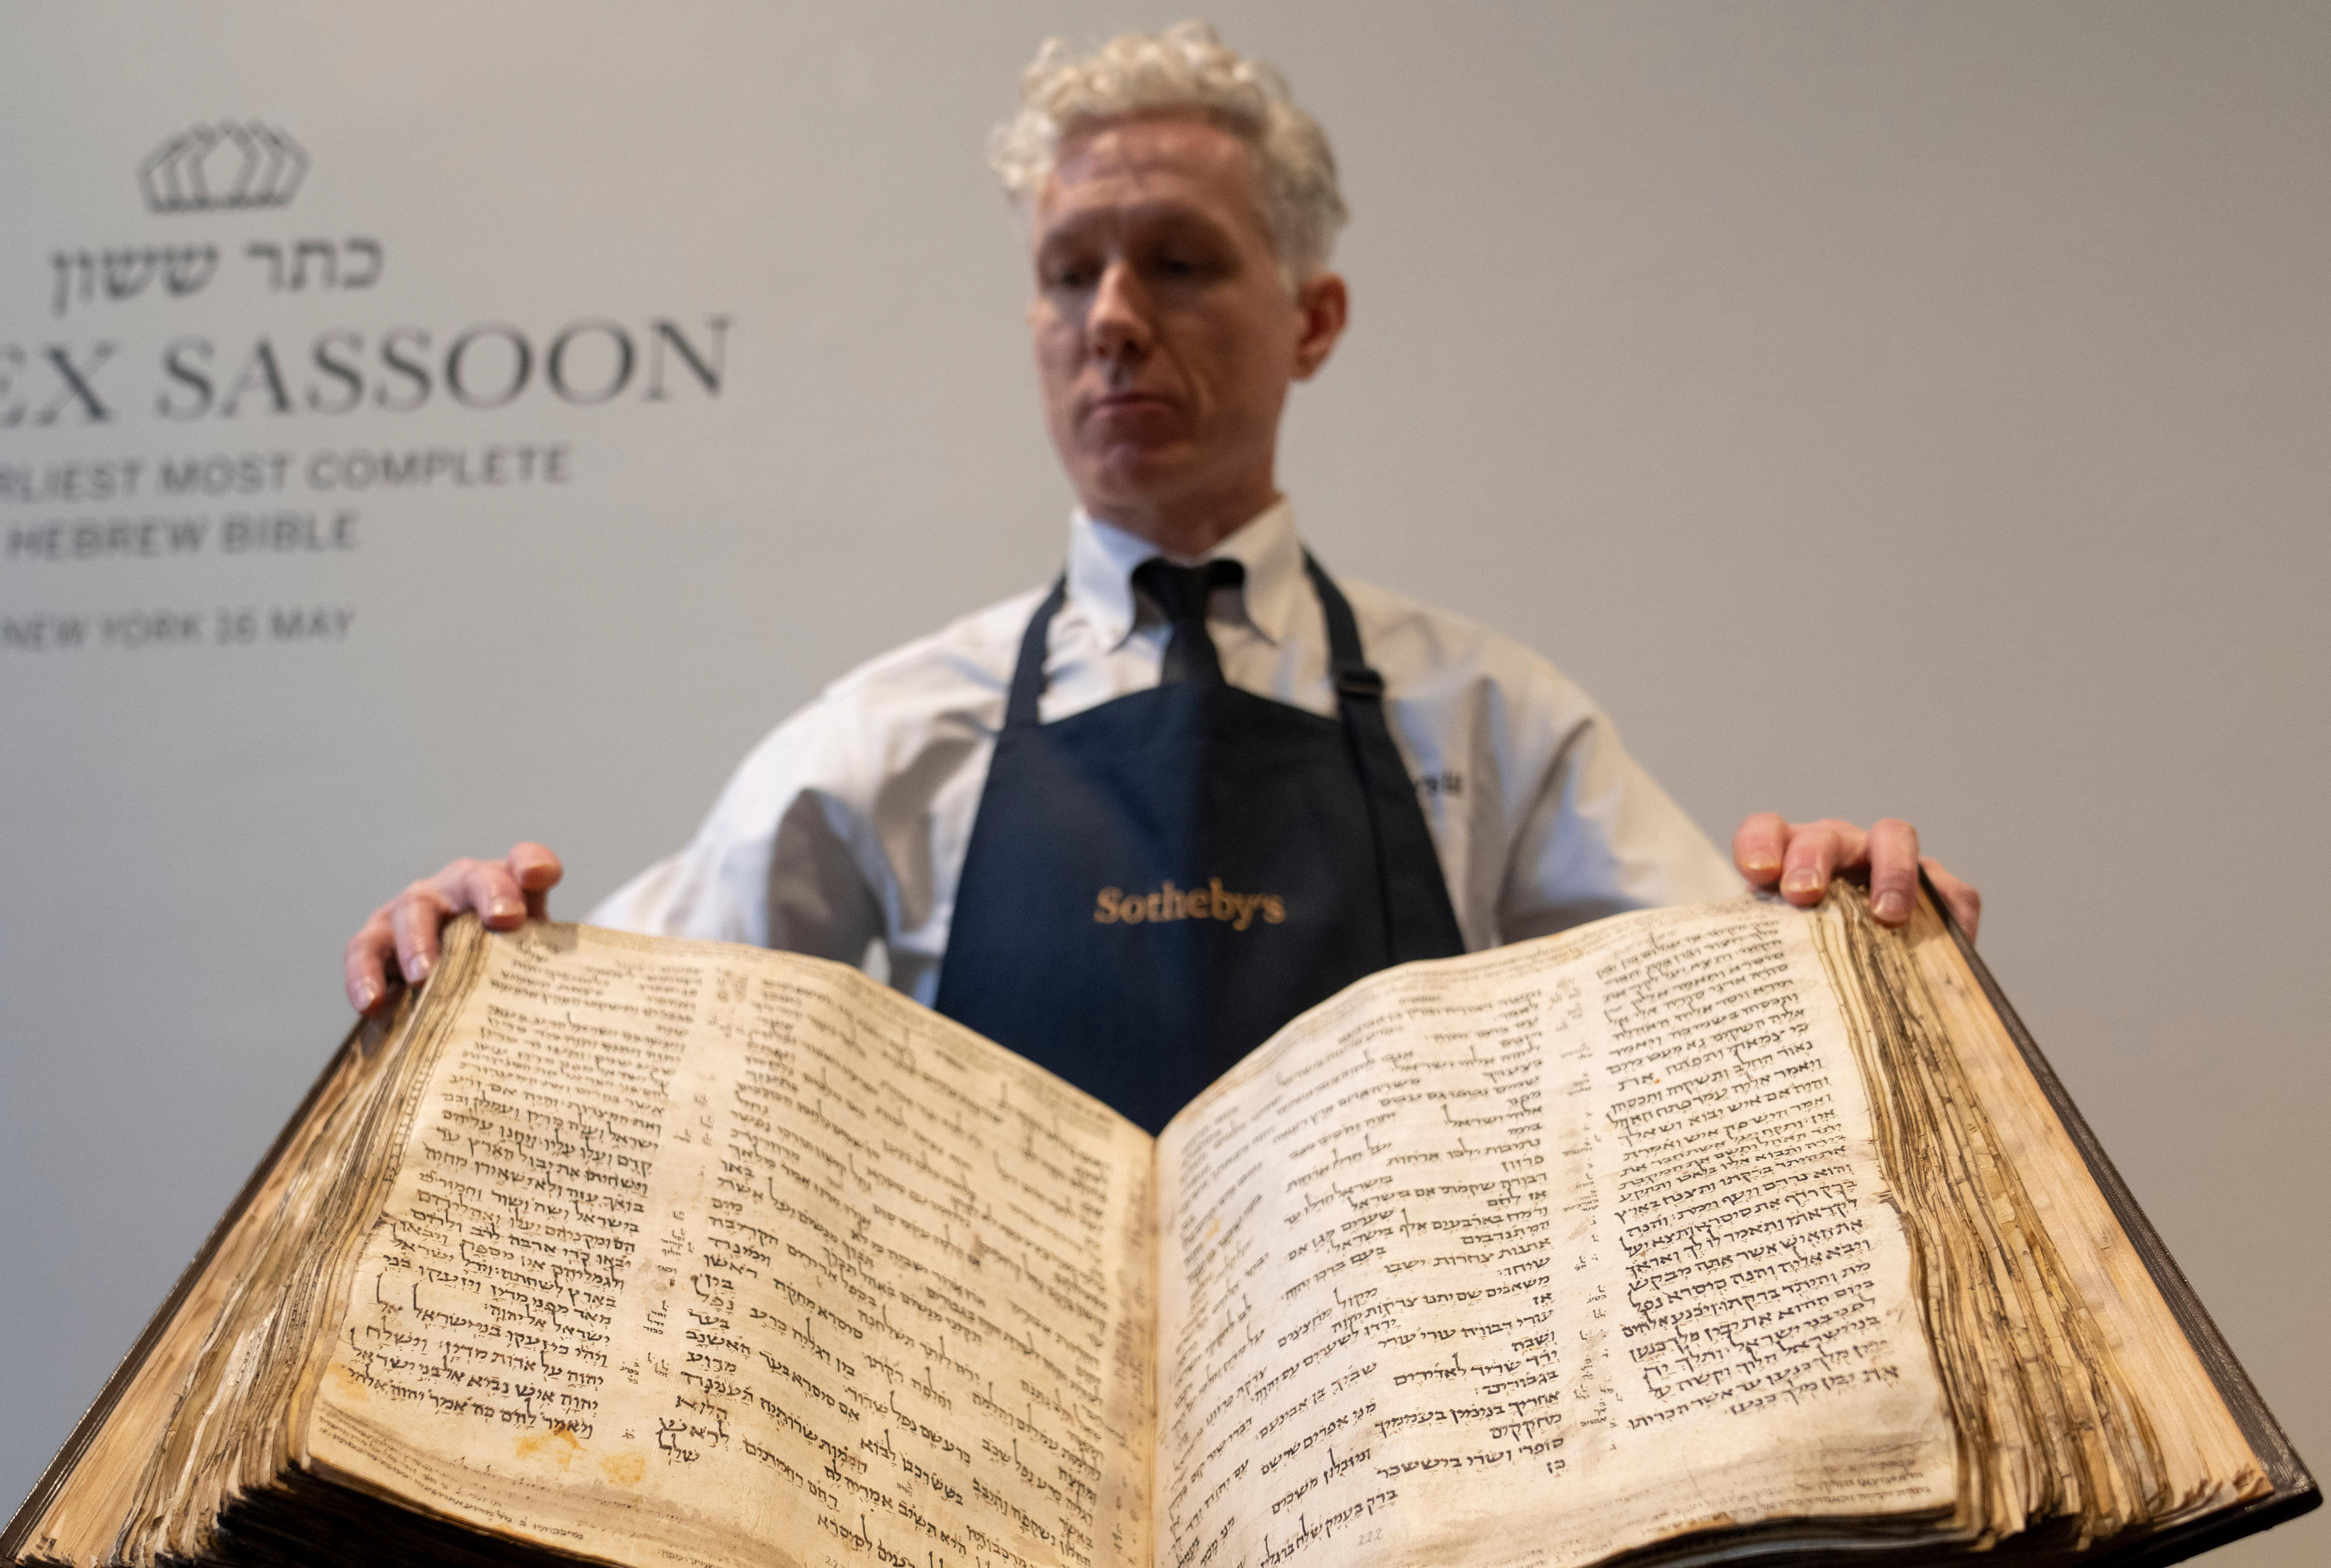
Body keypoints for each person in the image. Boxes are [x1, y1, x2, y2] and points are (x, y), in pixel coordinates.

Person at [345, 22, 1977, 1128]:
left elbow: (1757, 1026)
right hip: (980, 1491)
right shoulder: (893, 734)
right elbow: (607, 1036)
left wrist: (1853, 930)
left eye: (1180, 264)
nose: (1112, 317)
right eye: (1069, 277)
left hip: (1400, 1491)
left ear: (1313, 321)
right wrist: (478, 957)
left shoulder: (1488, 718)